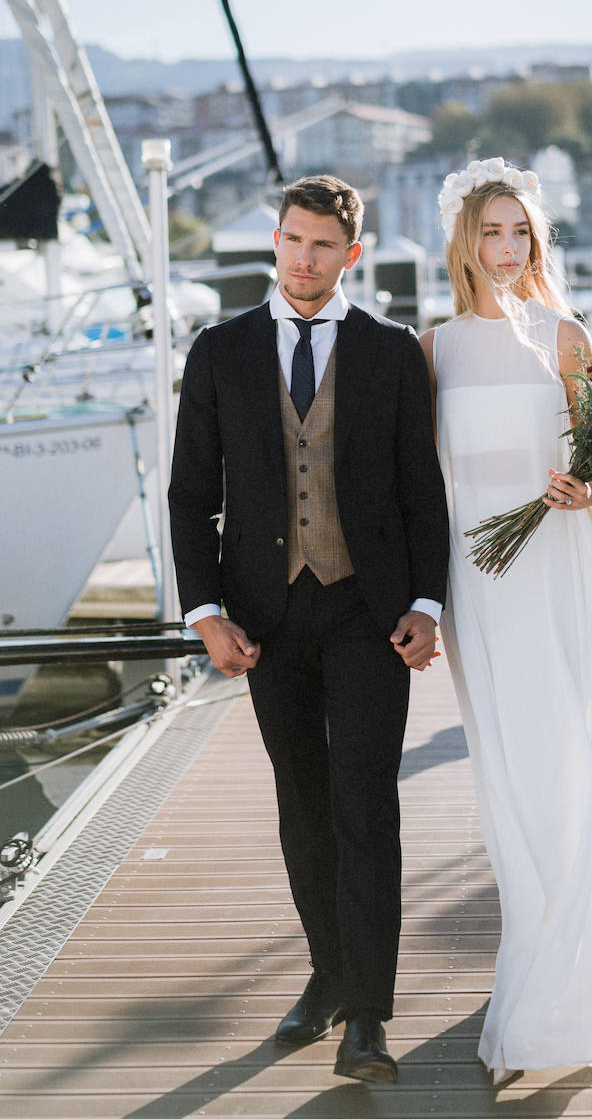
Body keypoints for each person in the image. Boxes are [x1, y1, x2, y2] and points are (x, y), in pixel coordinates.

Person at [168, 174, 449, 1085]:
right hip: (264, 617)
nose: (303, 258)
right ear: (275, 242)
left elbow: (421, 492)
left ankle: (368, 1015)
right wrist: (206, 613)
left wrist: (425, 604)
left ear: (351, 254)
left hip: (369, 614)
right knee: (303, 804)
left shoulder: (393, 350)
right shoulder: (219, 350)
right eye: (291, 240)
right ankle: (328, 973)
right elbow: (189, 497)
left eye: (322, 245)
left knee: (366, 803)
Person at [420, 159, 592, 1083]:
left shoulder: (569, 338)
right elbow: (428, 487)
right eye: (489, 231)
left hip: (563, 576)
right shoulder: (435, 348)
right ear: (464, 241)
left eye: (519, 232)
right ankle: (533, 955)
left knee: (574, 759)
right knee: (514, 777)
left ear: (536, 240)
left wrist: (586, 490)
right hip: (483, 587)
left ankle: (562, 996)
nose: (504, 247)